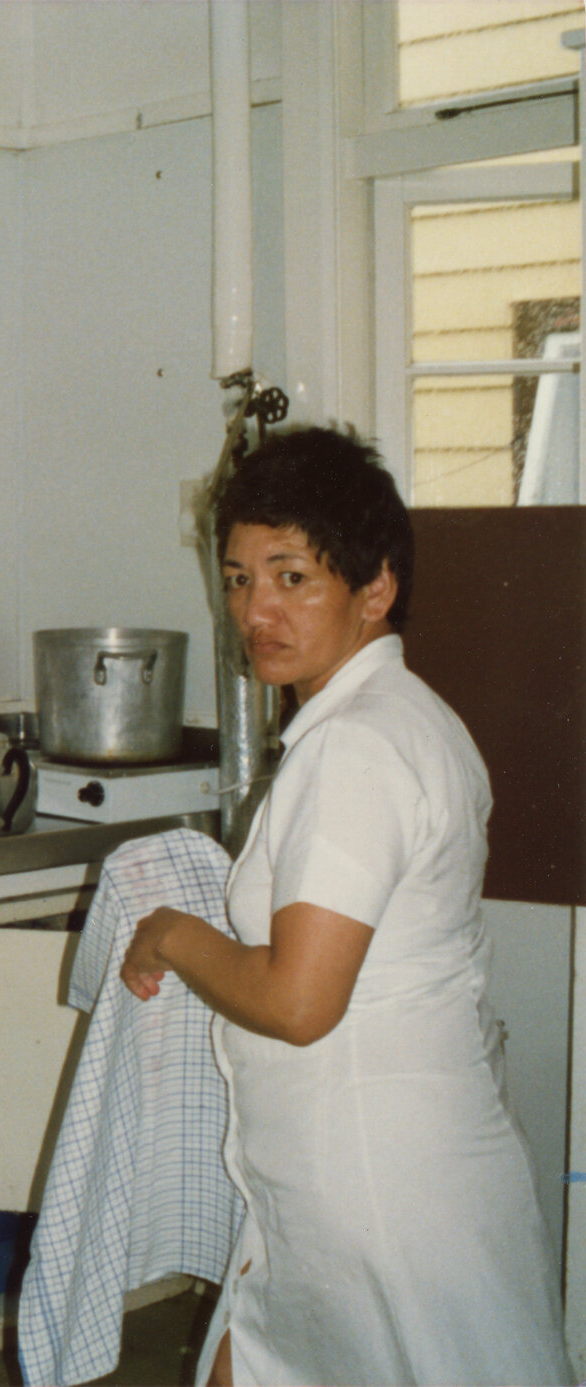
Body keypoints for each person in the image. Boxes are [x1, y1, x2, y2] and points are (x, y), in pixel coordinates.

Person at [120, 427, 570, 1386]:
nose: (256, 610)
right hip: (387, 1169)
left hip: (376, 1181)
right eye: (238, 578)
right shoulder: (407, 718)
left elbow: (298, 1000)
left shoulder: (354, 747)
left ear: (376, 590)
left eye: (292, 576)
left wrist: (172, 933)